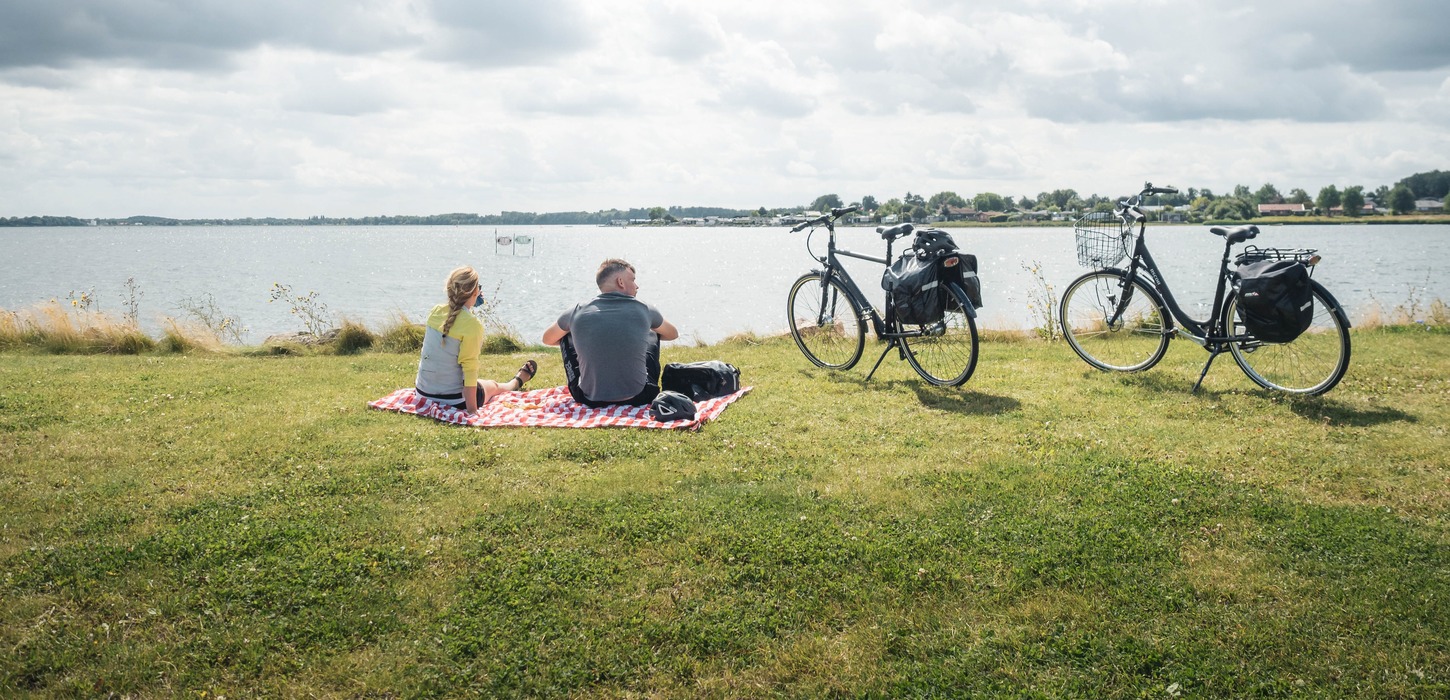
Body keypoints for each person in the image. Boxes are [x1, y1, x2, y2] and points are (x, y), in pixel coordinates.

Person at [542, 258, 679, 406]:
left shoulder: (576, 311)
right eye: (633, 280)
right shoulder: (645, 309)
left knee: (566, 335)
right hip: (640, 396)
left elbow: (547, 339)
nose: (637, 286)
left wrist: (582, 339)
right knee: (653, 332)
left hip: (588, 398)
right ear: (620, 282)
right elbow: (672, 334)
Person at [415, 266, 536, 415]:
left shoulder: (435, 311)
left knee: (477, 382)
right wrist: (471, 410)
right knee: (493, 386)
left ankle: (512, 382)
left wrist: (469, 303)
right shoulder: (473, 325)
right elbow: (470, 370)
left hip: (422, 394)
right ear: (475, 292)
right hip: (454, 400)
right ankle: (516, 382)